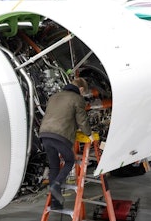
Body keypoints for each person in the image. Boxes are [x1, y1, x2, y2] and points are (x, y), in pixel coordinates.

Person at [39, 77, 93, 210]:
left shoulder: (54, 96)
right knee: (70, 161)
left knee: (54, 167)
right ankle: (56, 184)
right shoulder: (77, 99)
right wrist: (89, 134)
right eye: (83, 92)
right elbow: (82, 120)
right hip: (60, 135)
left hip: (45, 134)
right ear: (80, 89)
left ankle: (55, 203)